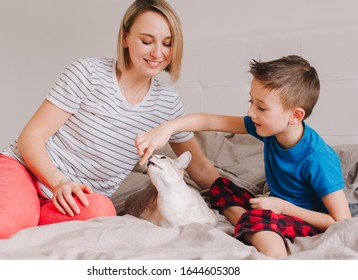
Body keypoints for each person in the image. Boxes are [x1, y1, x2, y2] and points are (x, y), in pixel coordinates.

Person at [0, 0, 219, 241]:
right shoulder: (88, 73)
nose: (157, 53)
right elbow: (30, 137)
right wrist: (60, 183)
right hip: (23, 170)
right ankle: (14, 212)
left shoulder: (168, 103)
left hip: (75, 197)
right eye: (146, 41)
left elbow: (199, 169)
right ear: (125, 38)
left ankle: (22, 213)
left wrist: (236, 202)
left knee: (103, 212)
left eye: (168, 43)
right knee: (0, 227)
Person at [135, 55, 352, 258]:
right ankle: (247, 219)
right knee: (221, 188)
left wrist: (284, 208)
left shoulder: (318, 159)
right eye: (251, 101)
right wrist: (169, 127)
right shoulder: (269, 129)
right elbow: (208, 121)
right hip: (273, 205)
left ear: (295, 115)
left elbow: (341, 220)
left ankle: (274, 254)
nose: (251, 113)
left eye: (261, 107)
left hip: (304, 217)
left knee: (258, 221)